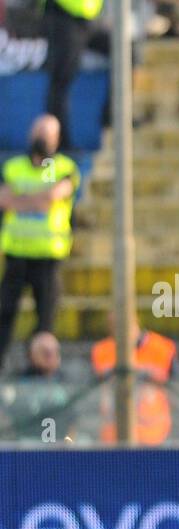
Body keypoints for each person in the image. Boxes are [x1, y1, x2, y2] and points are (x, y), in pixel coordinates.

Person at [0, 115, 79, 372]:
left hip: (47, 257)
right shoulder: (12, 167)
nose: (41, 140)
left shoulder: (63, 167)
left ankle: (40, 372)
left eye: (47, 135)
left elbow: (53, 196)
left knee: (45, 322)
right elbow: (5, 199)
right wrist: (39, 199)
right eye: (38, 133)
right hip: (16, 254)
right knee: (4, 314)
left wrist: (20, 198)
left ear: (56, 140)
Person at [92, 325, 177, 444]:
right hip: (114, 441)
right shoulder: (102, 350)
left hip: (153, 438)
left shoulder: (161, 348)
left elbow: (170, 382)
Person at [42, 0, 104, 150]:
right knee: (61, 82)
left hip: (90, 18)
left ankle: (113, 116)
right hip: (63, 17)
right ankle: (58, 143)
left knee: (128, 53)